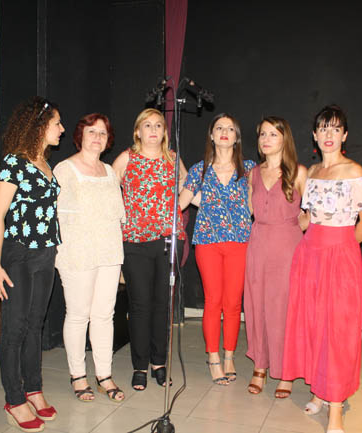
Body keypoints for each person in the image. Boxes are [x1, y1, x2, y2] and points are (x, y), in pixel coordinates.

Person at [281, 105, 362, 433]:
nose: (329, 135)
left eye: (335, 129)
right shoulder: (312, 173)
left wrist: (343, 247)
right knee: (314, 327)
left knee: (337, 332)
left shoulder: (354, 171)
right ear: (314, 135)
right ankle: (319, 392)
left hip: (340, 258)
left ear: (344, 135)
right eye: (323, 128)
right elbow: (308, 218)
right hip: (309, 256)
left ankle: (336, 409)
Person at [0, 96, 64, 432]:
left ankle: (33, 388)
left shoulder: (45, 163)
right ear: (39, 125)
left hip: (46, 253)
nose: (61, 129)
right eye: (57, 123)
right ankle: (14, 397)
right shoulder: (13, 163)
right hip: (18, 252)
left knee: (36, 324)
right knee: (15, 328)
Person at [112, 108, 187, 391]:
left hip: (167, 241)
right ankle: (140, 366)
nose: (153, 130)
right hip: (135, 243)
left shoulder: (173, 158)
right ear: (138, 131)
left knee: (162, 305)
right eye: (147, 125)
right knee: (140, 305)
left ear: (164, 132)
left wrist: (175, 210)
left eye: (158, 125)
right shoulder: (126, 158)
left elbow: (187, 185)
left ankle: (159, 363)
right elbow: (109, 192)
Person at [179, 113, 255, 385]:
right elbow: (181, 202)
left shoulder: (249, 168)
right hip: (208, 243)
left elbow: (256, 205)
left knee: (233, 303)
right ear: (211, 135)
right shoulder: (199, 169)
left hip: (240, 242)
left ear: (236, 137)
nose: (224, 131)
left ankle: (229, 356)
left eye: (230, 128)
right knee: (213, 301)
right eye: (219, 127)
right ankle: (213, 357)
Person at [54, 113, 125, 403]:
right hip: (77, 252)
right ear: (80, 135)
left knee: (104, 315)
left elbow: (119, 215)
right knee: (78, 314)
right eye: (92, 132)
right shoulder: (65, 169)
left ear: (108, 140)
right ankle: (78, 375)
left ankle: (104, 375)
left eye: (103, 133)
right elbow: (55, 216)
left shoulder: (109, 171)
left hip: (109, 251)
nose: (97, 137)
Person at [243, 116, 307, 397]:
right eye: (262, 134)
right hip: (258, 245)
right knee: (256, 305)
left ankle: (285, 370)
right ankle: (260, 365)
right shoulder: (253, 174)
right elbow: (250, 210)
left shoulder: (299, 172)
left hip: (287, 247)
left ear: (285, 139)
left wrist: (290, 230)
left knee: (282, 309)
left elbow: (312, 214)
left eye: (273, 134)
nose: (266, 139)